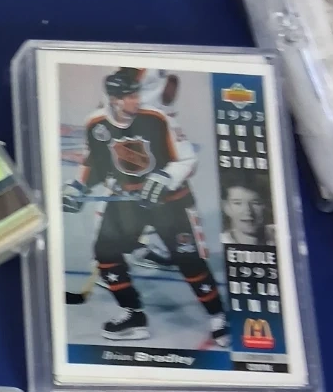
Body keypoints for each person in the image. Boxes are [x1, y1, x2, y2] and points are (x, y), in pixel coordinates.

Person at [64, 66, 228, 346]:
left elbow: (187, 160)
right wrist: (78, 187)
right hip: (127, 201)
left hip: (170, 203)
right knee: (105, 252)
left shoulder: (157, 119)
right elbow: (96, 163)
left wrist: (165, 177)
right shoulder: (96, 124)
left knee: (188, 260)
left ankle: (217, 318)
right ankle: (133, 315)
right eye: (129, 96)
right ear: (113, 99)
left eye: (136, 94)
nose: (136, 101)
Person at [220, 179, 275, 246]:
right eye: (238, 203)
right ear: (226, 207)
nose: (248, 210)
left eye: (255, 203)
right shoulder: (217, 244)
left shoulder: (282, 234)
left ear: (265, 205)